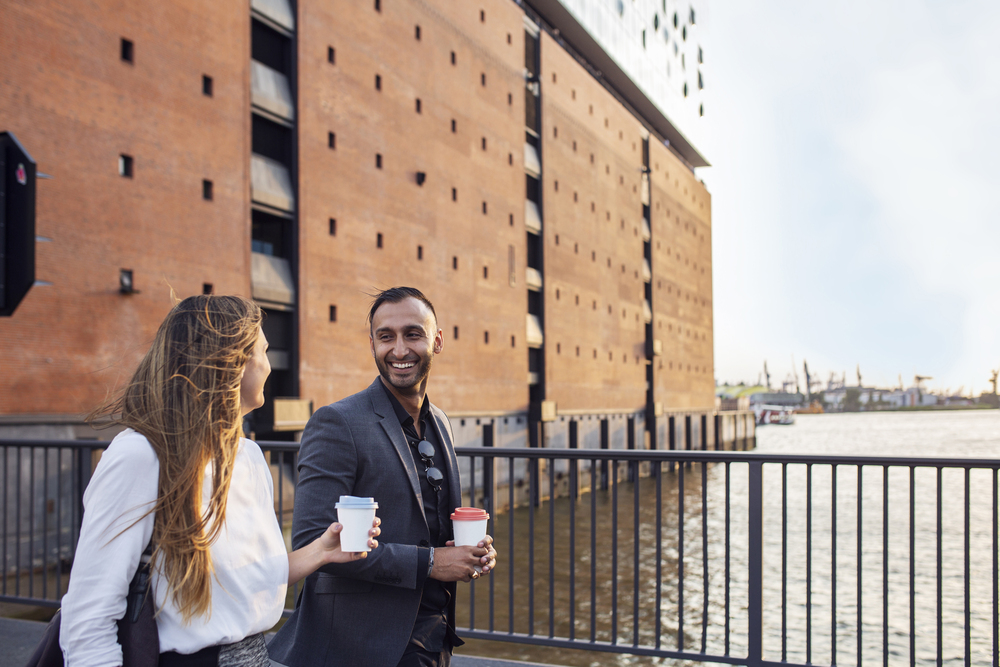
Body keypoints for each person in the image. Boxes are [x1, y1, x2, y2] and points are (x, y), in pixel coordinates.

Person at [60, 295, 380, 667]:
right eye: (263, 351)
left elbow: (245, 583)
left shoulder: (249, 456)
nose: (269, 366)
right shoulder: (140, 455)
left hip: (257, 654)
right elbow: (87, 618)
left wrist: (322, 551)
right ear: (233, 362)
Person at [268, 287, 498, 667]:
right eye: (385, 336)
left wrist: (471, 552)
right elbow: (314, 543)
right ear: (372, 342)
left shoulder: (440, 421)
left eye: (413, 334)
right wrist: (430, 562)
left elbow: (431, 527)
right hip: (360, 645)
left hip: (433, 637)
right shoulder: (337, 423)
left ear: (437, 341)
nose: (400, 350)